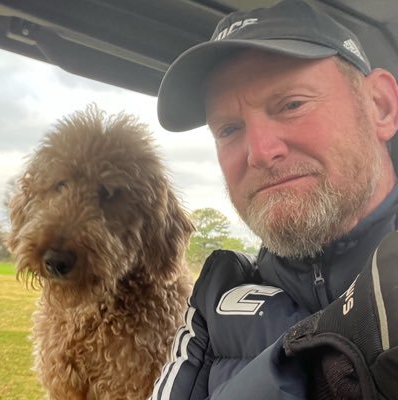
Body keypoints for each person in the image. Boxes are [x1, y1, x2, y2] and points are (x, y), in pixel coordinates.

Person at [150, 0, 398, 399]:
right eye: (229, 129)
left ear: (380, 107)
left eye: (292, 104)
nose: (259, 152)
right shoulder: (216, 302)